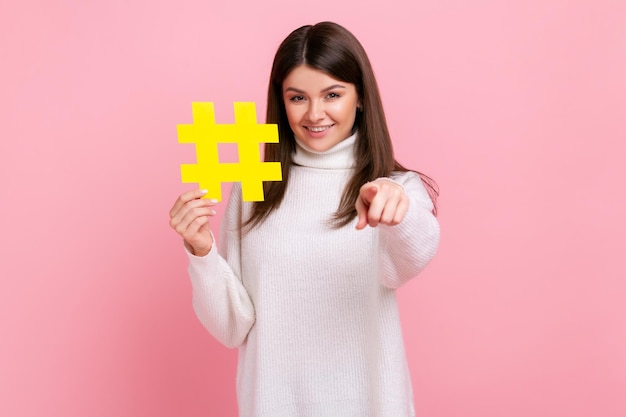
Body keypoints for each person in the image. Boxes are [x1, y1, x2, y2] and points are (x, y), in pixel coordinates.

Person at [169, 21, 440, 417]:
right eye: (298, 97)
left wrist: (399, 212)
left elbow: (410, 260)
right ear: (281, 101)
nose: (315, 114)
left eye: (332, 94)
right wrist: (201, 252)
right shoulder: (255, 188)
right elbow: (232, 327)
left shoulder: (394, 187)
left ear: (360, 97)